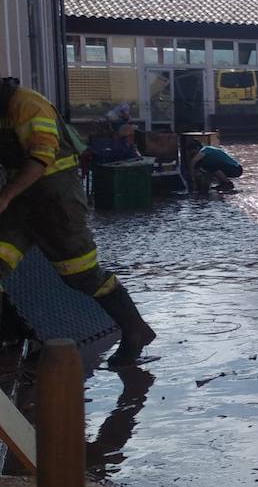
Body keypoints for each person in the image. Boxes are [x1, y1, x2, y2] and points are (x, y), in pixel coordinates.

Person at [0, 78, 156, 366]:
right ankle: (17, 344)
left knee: (81, 274)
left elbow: (41, 155)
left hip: (56, 203)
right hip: (22, 203)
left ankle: (136, 330)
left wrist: (6, 194)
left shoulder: (27, 104)